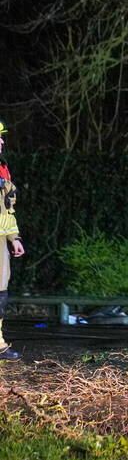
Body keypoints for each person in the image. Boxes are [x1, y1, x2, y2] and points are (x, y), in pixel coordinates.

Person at [0, 121, 25, 361]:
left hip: (0, 244)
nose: (2, 142)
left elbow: (8, 211)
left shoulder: (2, 171)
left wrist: (14, 238)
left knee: (0, 294)